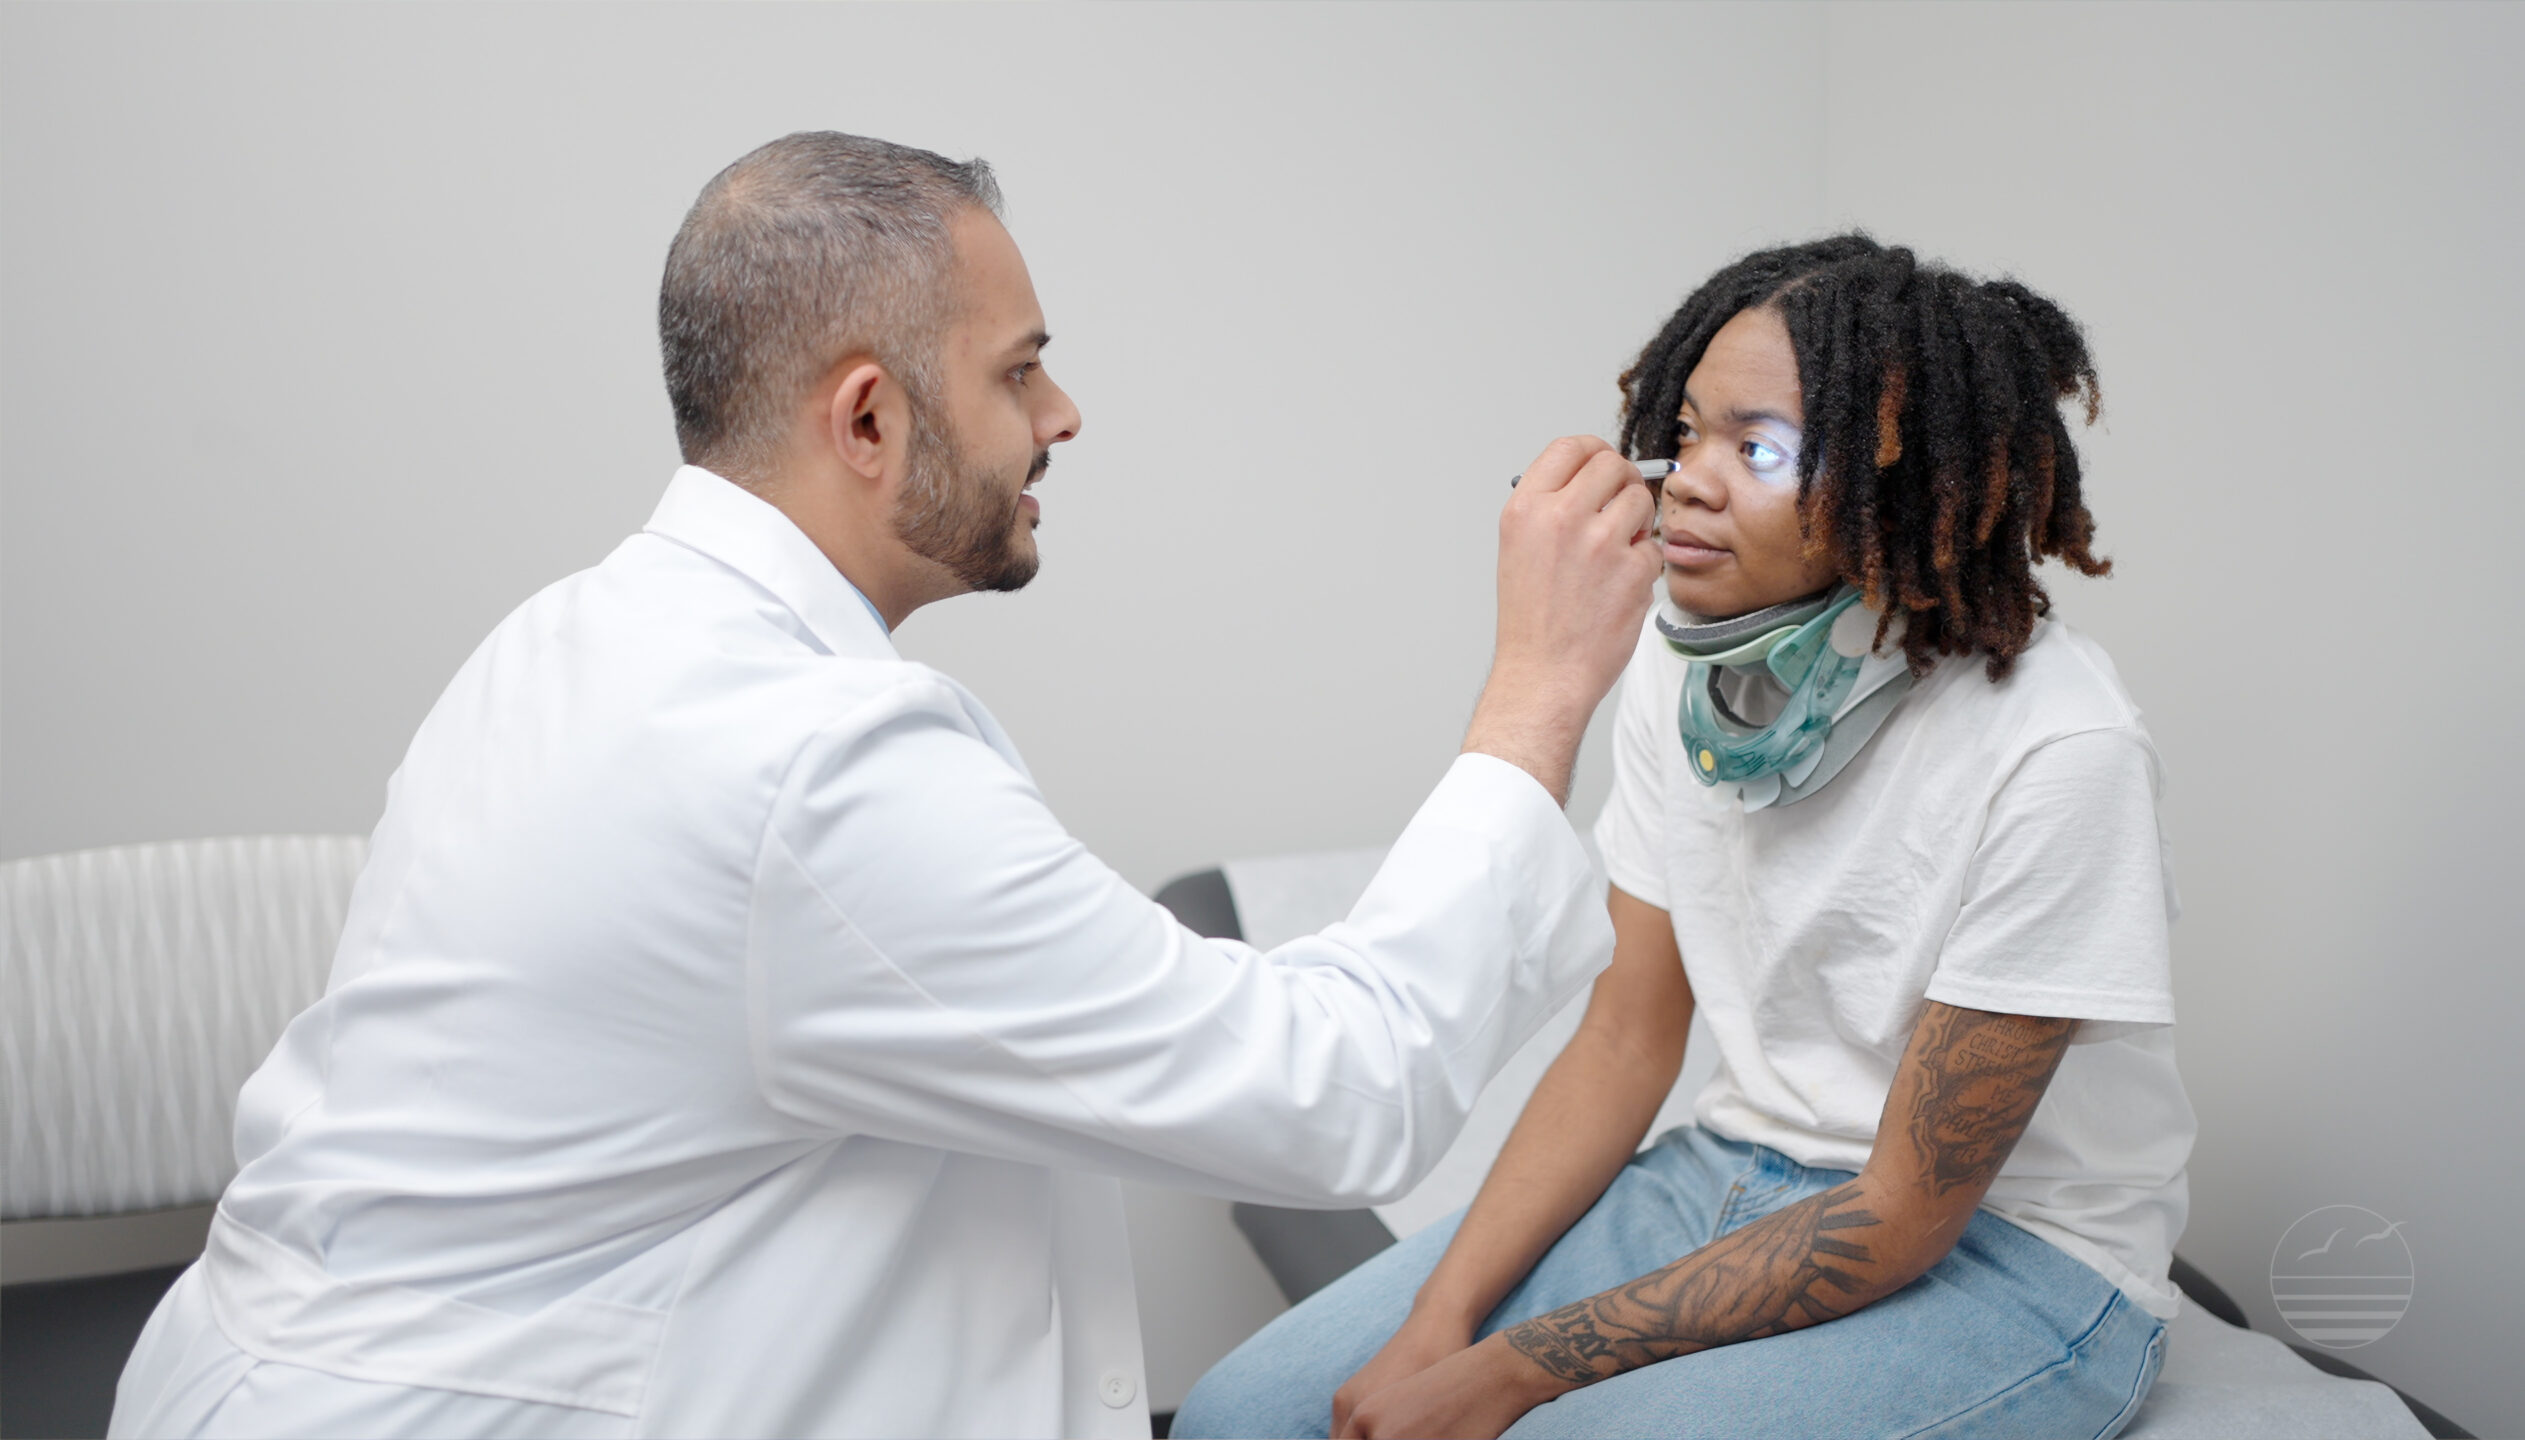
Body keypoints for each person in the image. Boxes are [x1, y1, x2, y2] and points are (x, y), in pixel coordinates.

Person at [107, 133, 1664, 1439]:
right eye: (1022, 372)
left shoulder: (576, 637)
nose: (1062, 419)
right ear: (869, 418)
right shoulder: (809, 768)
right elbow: (1337, 1092)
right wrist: (1538, 690)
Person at [1175, 235, 2196, 1440]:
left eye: (1757, 448)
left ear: (1902, 481)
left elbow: (1907, 1209)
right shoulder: (1679, 663)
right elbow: (1621, 1040)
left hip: (2012, 1254)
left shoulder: (2056, 746)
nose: (1687, 481)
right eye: (1689, 431)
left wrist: (1514, 1371)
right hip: (1725, 1167)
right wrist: (1435, 1326)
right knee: (1241, 1414)